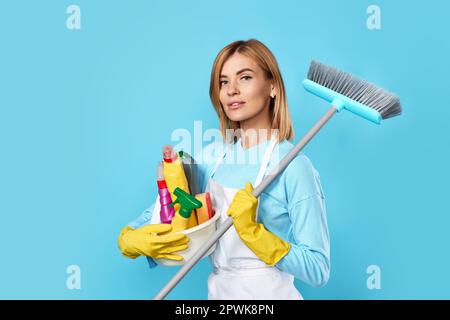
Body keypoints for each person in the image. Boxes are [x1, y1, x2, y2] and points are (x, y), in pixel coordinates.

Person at [118, 39, 330, 299]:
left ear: (272, 86)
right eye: (223, 82)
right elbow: (160, 213)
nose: (231, 90)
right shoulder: (210, 158)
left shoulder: (294, 166)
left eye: (245, 78)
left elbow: (318, 269)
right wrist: (130, 238)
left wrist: (255, 234)